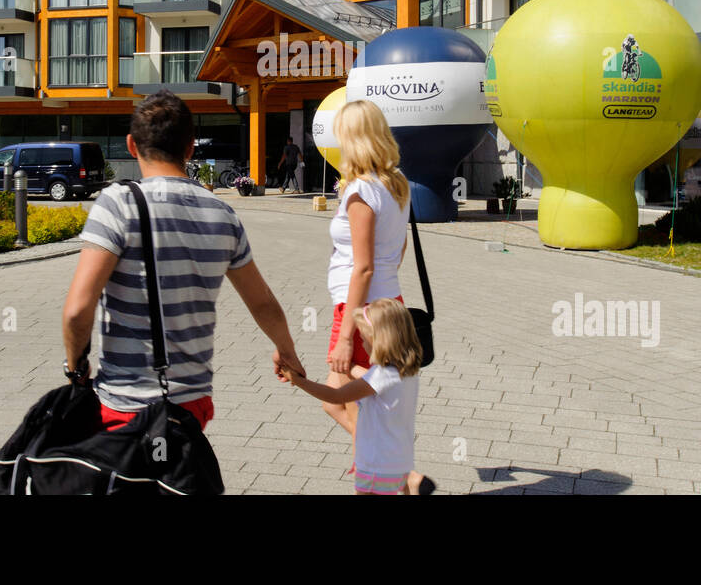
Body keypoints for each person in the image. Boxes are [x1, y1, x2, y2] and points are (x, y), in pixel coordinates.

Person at [62, 91, 304, 432]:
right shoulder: (223, 214)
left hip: (125, 407)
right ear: (190, 148)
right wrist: (286, 349)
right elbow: (262, 302)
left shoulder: (118, 204)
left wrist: (75, 369)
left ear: (132, 146)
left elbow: (76, 311)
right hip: (191, 405)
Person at [319, 98, 432, 494]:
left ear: (353, 141)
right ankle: (394, 474)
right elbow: (395, 253)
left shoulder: (361, 193)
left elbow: (362, 267)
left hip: (360, 311)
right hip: (390, 304)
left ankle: (396, 474)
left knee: (336, 399)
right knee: (368, 398)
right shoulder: (396, 184)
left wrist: (347, 332)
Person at [281, 298, 423, 495]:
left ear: (378, 341)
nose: (362, 342)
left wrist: (297, 381)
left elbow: (336, 396)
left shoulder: (380, 375)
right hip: (399, 456)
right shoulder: (405, 371)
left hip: (376, 462)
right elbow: (375, 382)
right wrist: (352, 368)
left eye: (364, 338)